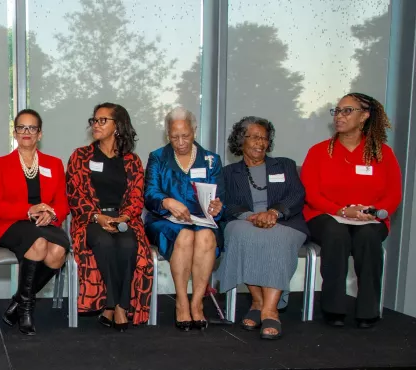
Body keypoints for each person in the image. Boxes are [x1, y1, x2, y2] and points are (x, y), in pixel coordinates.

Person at [301, 93, 401, 328]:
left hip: (369, 219)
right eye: (337, 111)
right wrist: (343, 211)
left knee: (368, 237)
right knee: (336, 234)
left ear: (364, 116)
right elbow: (311, 193)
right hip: (325, 216)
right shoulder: (319, 151)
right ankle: (333, 309)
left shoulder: (382, 153)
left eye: (347, 111)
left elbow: (393, 194)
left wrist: (373, 213)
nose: (339, 116)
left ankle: (368, 310)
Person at [214, 117, 308, 339]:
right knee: (241, 234)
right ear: (241, 140)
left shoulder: (284, 165)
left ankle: (270, 309)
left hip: (284, 220)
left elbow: (297, 195)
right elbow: (226, 203)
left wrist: (273, 213)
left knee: (276, 238)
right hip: (245, 221)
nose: (260, 143)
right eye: (254, 137)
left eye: (264, 138)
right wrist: (251, 216)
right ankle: (256, 302)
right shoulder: (228, 173)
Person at [67, 103, 153, 331]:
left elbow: (137, 196)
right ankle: (117, 306)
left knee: (127, 244)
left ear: (118, 126)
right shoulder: (81, 156)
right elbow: (75, 195)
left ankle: (116, 307)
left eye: (102, 120)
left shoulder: (132, 161)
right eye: (94, 120)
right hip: (91, 219)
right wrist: (97, 217)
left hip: (125, 219)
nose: (95, 125)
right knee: (104, 242)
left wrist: (123, 218)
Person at [0, 109, 69, 335]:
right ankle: (26, 309)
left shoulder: (54, 164)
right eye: (22, 127)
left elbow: (63, 202)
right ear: (15, 132)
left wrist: (52, 214)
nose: (26, 132)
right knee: (39, 243)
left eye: (32, 128)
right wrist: (28, 210)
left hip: (46, 223)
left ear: (39, 134)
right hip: (10, 224)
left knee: (58, 251)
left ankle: (18, 300)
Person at [145, 106, 224, 331]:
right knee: (185, 235)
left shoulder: (211, 160)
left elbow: (221, 198)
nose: (180, 142)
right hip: (165, 220)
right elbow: (149, 194)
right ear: (167, 134)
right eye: (174, 136)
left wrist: (218, 206)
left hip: (202, 220)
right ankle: (181, 301)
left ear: (194, 131)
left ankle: (197, 302)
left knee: (207, 237)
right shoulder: (158, 157)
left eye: (185, 136)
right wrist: (167, 202)